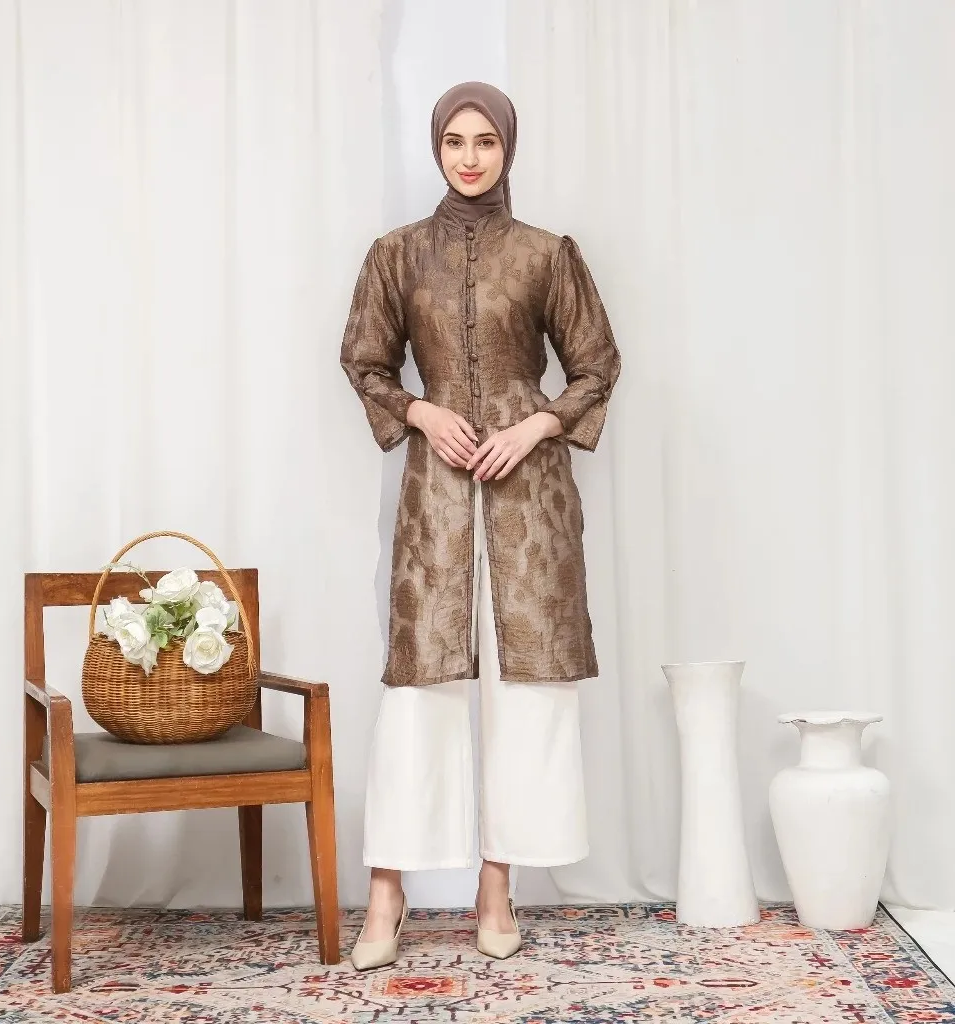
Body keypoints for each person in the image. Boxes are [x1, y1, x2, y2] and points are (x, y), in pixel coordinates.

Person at [339, 81, 621, 970]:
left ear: (507, 149)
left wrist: (536, 425)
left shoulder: (547, 254)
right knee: (418, 695)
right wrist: (421, 413)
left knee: (525, 696)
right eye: (455, 141)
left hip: (529, 504)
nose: (469, 157)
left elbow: (596, 365)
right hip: (436, 498)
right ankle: (386, 894)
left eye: (485, 141)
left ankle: (496, 888)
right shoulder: (395, 255)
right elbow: (364, 360)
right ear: (437, 148)